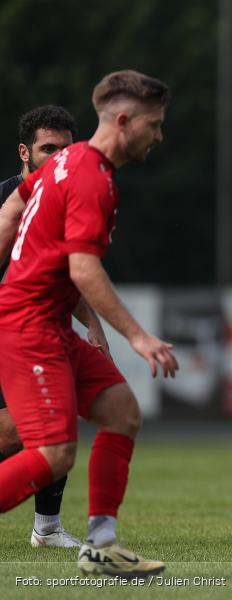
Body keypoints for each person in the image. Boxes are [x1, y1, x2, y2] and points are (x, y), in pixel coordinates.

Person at [0, 70, 178, 577]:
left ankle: (101, 543)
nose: (159, 136)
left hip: (47, 323)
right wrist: (138, 336)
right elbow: (83, 269)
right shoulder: (89, 176)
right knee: (54, 454)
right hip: (29, 326)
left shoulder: (69, 161)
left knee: (121, 411)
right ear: (124, 122)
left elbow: (14, 205)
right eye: (154, 124)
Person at [0, 105, 111, 548]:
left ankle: (47, 527)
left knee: (52, 423)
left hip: (42, 332)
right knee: (24, 430)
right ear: (25, 152)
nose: (60, 157)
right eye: (49, 149)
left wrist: (94, 325)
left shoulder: (74, 203)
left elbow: (74, 275)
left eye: (67, 149)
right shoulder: (7, 202)